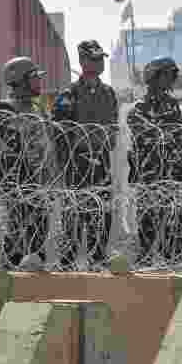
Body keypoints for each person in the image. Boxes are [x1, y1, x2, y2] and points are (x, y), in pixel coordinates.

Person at [51, 40, 119, 268]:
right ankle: (67, 262)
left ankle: (98, 258)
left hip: (102, 160)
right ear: (82, 61)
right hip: (76, 161)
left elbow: (112, 128)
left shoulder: (108, 93)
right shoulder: (69, 93)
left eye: (101, 58)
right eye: (94, 58)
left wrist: (104, 142)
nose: (99, 62)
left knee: (102, 211)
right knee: (75, 213)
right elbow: (60, 132)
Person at [127, 56, 182, 265]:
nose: (172, 79)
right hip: (150, 178)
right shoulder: (138, 109)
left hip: (173, 178)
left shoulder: (173, 105)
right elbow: (149, 138)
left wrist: (181, 161)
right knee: (148, 225)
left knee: (174, 225)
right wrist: (168, 138)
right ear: (154, 77)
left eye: (173, 75)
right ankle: (145, 262)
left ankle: (172, 259)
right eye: (167, 74)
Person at [0, 56, 49, 269]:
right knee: (19, 236)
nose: (39, 82)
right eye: (34, 77)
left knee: (38, 235)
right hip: (18, 186)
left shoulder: (35, 108)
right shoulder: (6, 109)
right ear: (19, 81)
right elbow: (5, 154)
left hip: (38, 183)